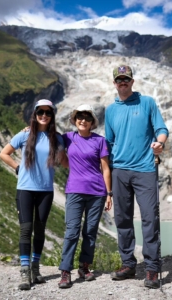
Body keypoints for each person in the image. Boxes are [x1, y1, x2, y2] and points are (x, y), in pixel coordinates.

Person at [105, 65, 169, 289]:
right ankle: (128, 264)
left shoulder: (148, 103)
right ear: (114, 83)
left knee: (150, 218)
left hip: (145, 169)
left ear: (132, 81)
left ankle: (152, 268)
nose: (123, 83)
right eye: (119, 80)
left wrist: (159, 144)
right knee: (122, 219)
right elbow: (109, 142)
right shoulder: (110, 110)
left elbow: (162, 129)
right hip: (119, 170)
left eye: (126, 79)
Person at [0, 99, 68, 291]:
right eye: (40, 112)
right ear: (35, 114)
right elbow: (4, 153)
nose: (44, 116)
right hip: (26, 189)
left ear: (52, 115)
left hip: (46, 190)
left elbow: (64, 162)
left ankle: (36, 269)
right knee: (25, 229)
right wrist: (17, 168)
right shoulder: (25, 135)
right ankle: (24, 271)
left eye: (48, 113)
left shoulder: (58, 139)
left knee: (40, 229)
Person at [58, 104, 112, 289]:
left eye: (87, 117)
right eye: (79, 116)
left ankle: (84, 266)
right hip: (74, 190)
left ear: (92, 122)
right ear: (75, 120)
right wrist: (29, 128)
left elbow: (105, 168)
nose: (82, 120)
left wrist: (108, 194)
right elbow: (48, 136)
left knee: (90, 232)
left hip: (97, 192)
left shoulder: (100, 141)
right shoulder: (67, 137)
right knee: (72, 230)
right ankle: (65, 271)